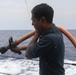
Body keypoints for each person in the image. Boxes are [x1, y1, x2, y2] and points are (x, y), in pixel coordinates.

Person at [10, 3, 65, 75]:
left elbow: (28, 54)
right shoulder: (55, 31)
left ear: (42, 20)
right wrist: (20, 48)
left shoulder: (50, 38)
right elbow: (41, 46)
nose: (32, 24)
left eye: (34, 21)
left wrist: (36, 34)